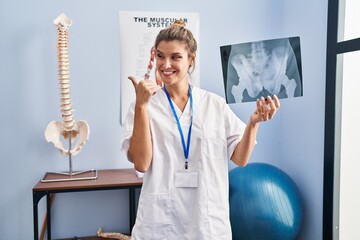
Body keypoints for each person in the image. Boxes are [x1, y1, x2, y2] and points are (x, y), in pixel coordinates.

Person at [121, 20, 280, 240]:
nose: (165, 64)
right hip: (159, 224)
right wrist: (140, 105)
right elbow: (141, 162)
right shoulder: (145, 105)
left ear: (191, 59)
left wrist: (253, 122)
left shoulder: (214, 104)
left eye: (175, 57)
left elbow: (241, 159)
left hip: (207, 224)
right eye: (160, 56)